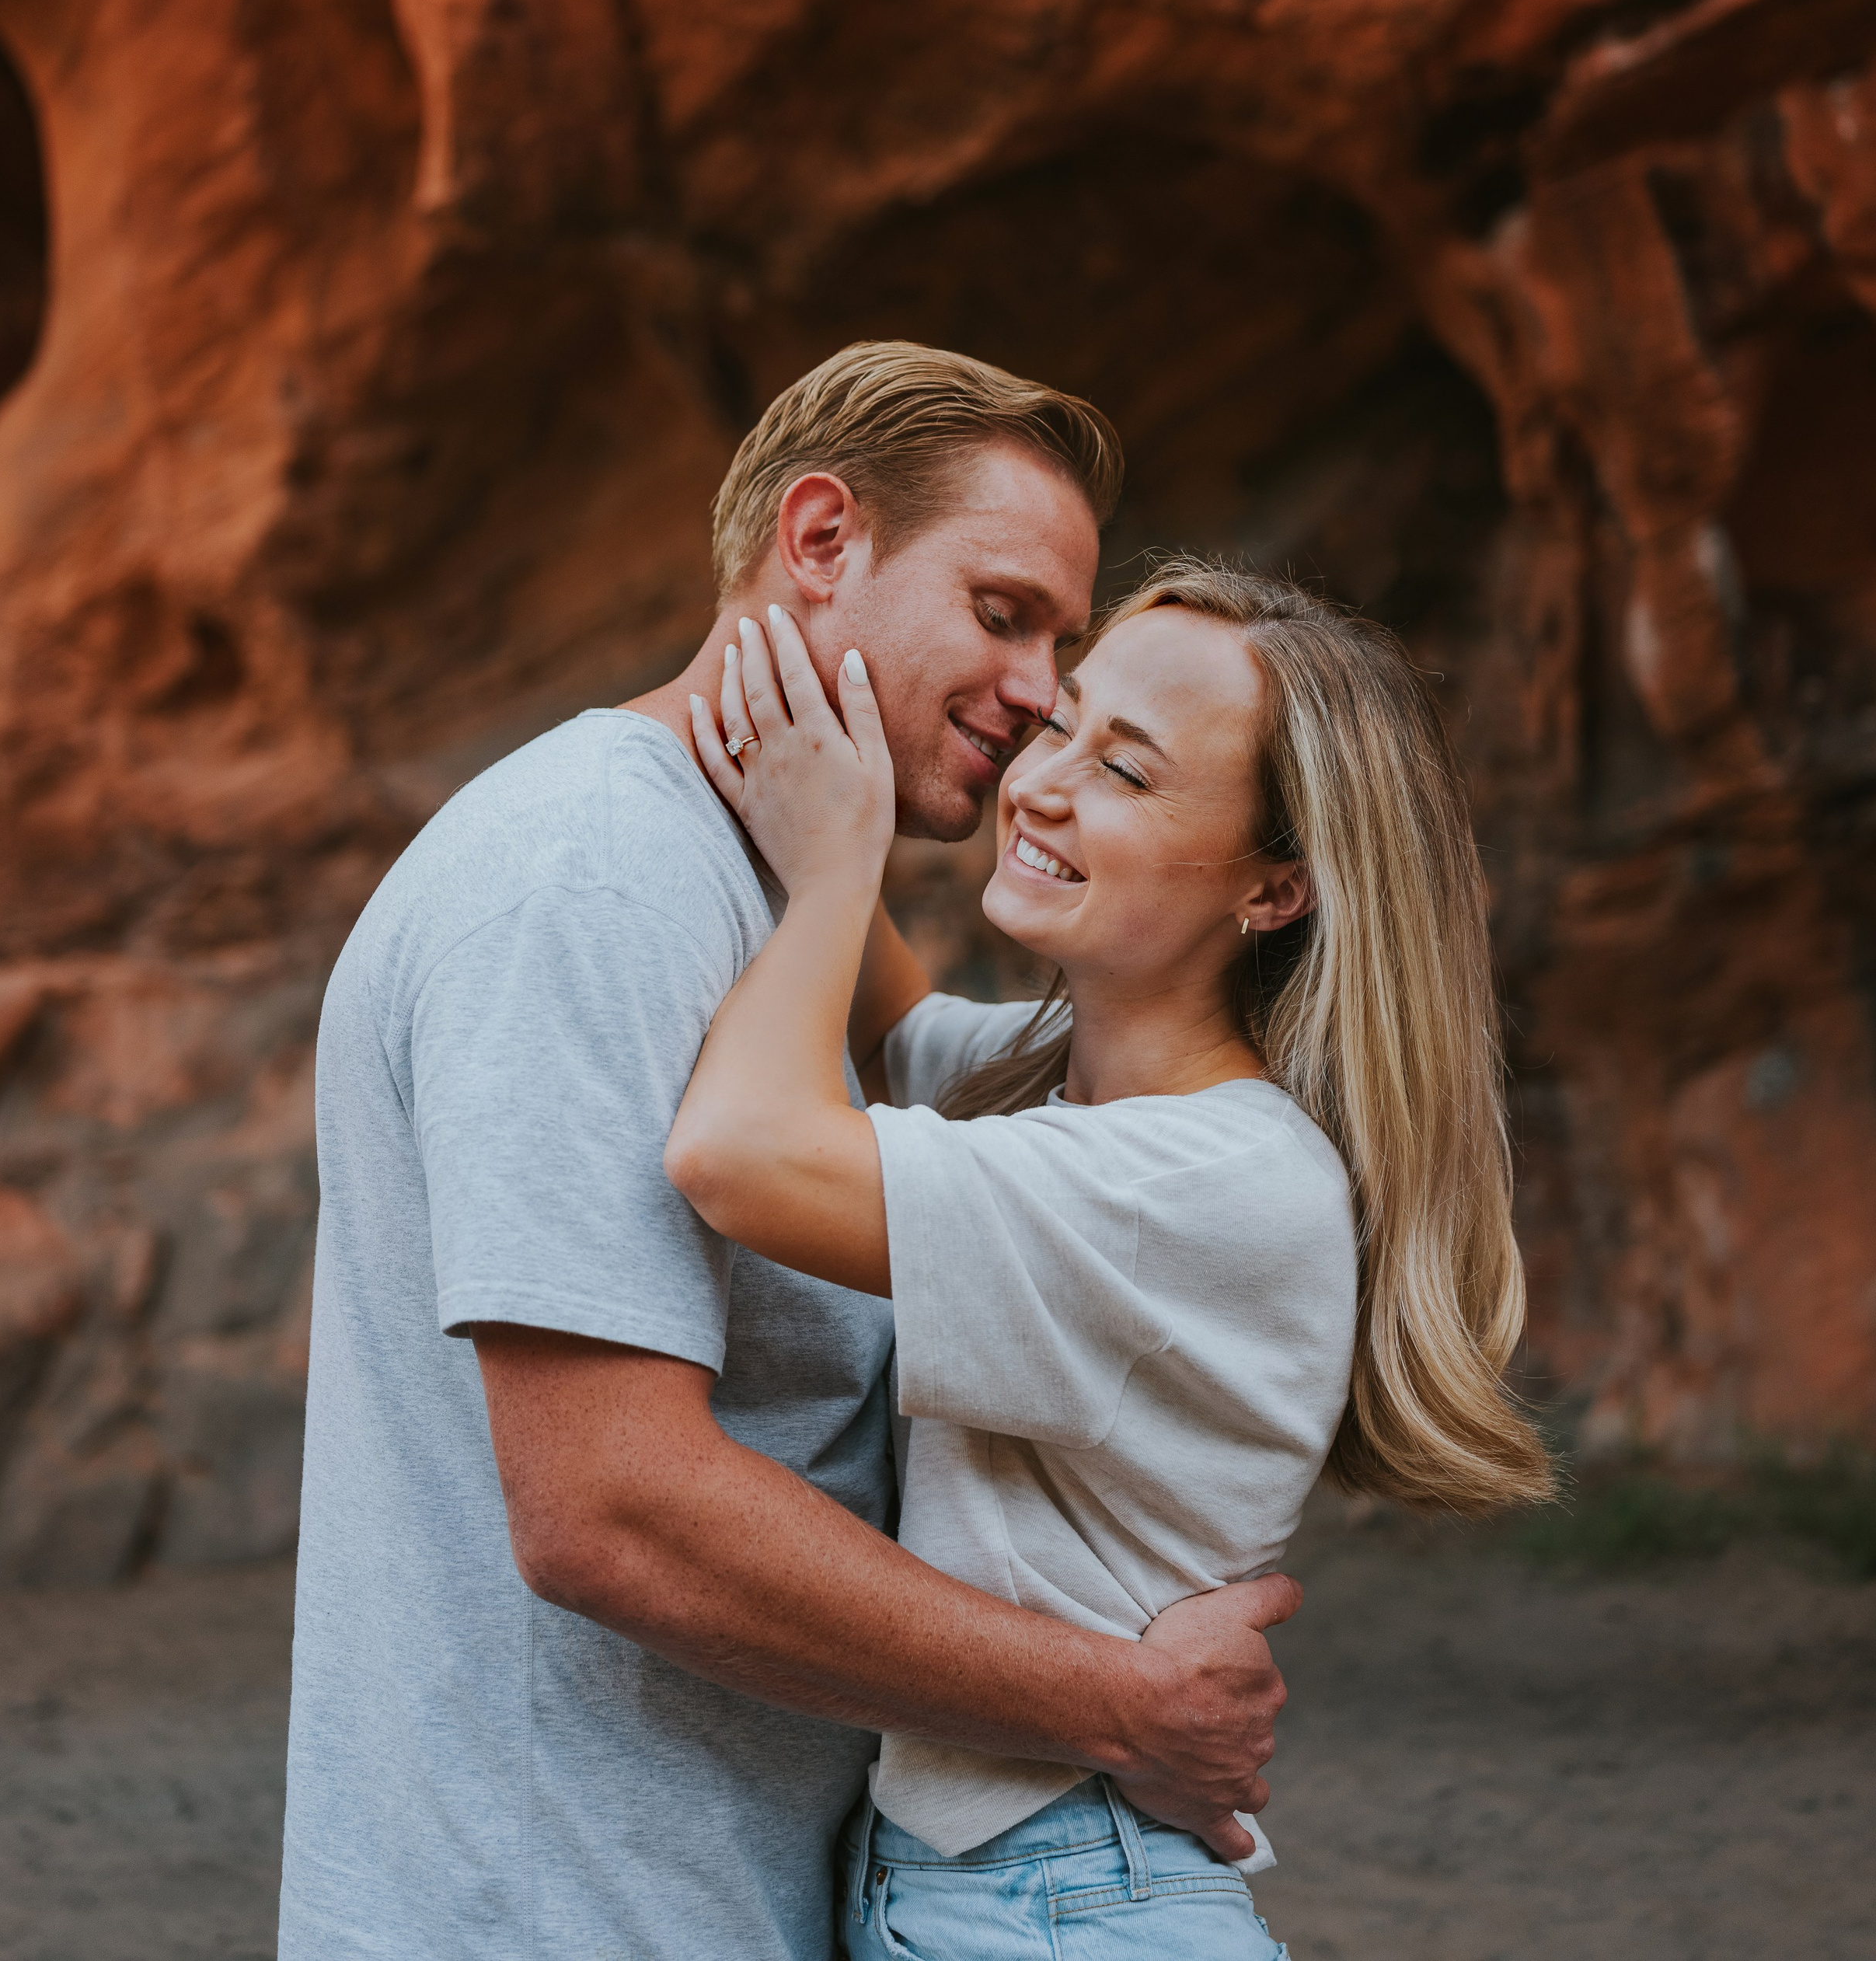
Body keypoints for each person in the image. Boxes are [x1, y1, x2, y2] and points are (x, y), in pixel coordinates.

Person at [278, 346, 1300, 1961]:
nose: (1040, 691)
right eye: (1002, 612)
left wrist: (833, 862)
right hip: (563, 1912)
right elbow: (606, 1505)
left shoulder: (740, 885)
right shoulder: (590, 882)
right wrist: (1122, 1704)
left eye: (1065, 645)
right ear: (819, 543)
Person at [666, 559, 1555, 1959]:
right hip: (1017, 1883)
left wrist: (841, 857)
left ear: (1276, 887)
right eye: (1063, 721)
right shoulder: (1056, 1092)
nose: (1042, 780)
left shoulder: (1201, 1182)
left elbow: (738, 1151)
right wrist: (807, 661)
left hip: (1063, 1898)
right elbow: (890, 1016)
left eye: (1128, 772)